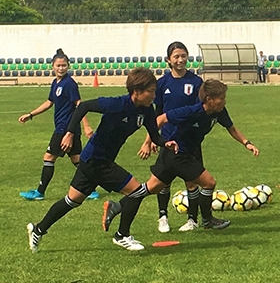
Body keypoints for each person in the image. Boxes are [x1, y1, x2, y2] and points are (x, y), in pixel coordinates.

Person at [27, 68, 178, 253]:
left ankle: (38, 229)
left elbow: (155, 136)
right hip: (96, 160)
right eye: (151, 91)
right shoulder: (117, 104)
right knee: (137, 191)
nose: (154, 95)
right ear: (136, 91)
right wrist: (69, 133)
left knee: (72, 200)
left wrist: (166, 143)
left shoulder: (147, 110)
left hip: (94, 160)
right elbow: (83, 106)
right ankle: (122, 235)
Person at [103, 79, 260, 234]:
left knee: (151, 188)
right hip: (177, 155)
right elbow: (161, 119)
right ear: (209, 99)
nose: (224, 101)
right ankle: (207, 219)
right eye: (222, 98)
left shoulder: (219, 112)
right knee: (209, 182)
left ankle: (116, 206)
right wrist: (148, 141)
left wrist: (247, 143)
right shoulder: (191, 112)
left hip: (176, 155)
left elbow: (231, 128)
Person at [137, 41, 203, 233]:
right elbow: (155, 115)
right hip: (167, 139)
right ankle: (163, 217)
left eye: (183, 56)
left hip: (189, 140)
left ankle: (193, 219)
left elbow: (199, 112)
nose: (180, 60)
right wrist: (151, 140)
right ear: (168, 60)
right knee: (163, 181)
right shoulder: (162, 84)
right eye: (176, 56)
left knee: (191, 181)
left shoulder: (196, 82)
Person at [18, 49, 98, 201]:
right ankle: (92, 190)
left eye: (64, 65)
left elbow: (80, 105)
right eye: (58, 65)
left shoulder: (70, 84)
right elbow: (50, 102)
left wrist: (86, 126)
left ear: (68, 66)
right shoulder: (56, 83)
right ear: (53, 66)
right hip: (67, 128)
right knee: (77, 160)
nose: (61, 68)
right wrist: (31, 115)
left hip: (66, 128)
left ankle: (40, 192)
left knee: (49, 157)